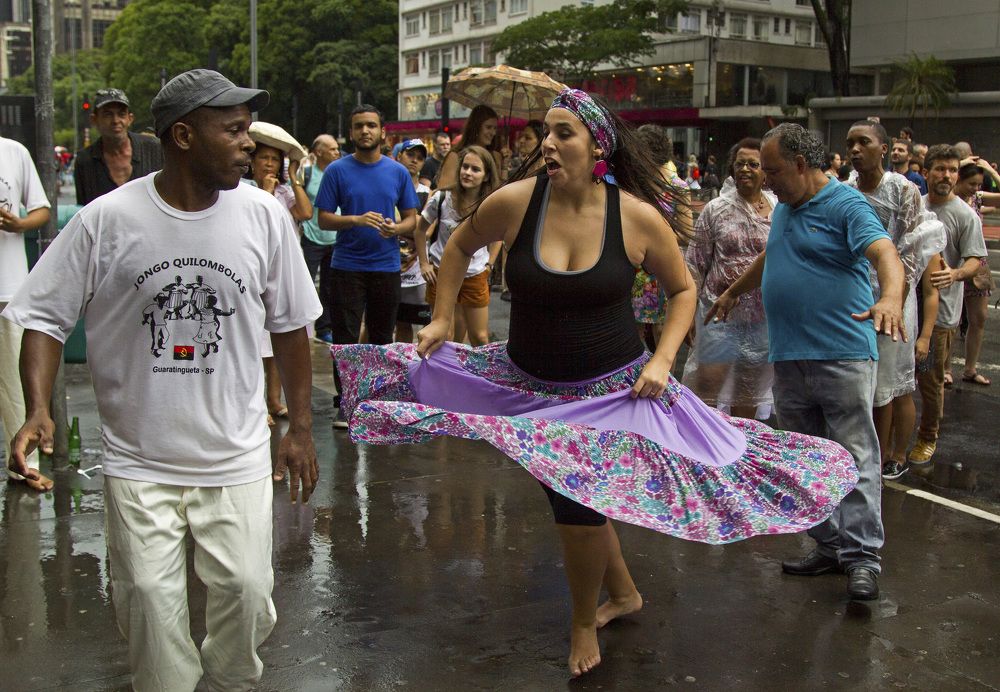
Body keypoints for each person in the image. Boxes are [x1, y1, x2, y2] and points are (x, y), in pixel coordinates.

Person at [331, 93, 859, 676]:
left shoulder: (634, 216)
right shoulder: (516, 201)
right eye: (548, 133)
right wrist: (438, 316)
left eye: (565, 134)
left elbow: (683, 291)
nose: (548, 144)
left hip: (612, 392)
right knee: (573, 488)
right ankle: (625, 593)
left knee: (576, 501)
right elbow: (457, 246)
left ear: (598, 146)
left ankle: (584, 621)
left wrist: (661, 359)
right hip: (526, 384)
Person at [2, 69, 321, 690]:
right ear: (183, 135)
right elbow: (41, 315)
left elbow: (290, 324)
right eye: (232, 131)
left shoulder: (262, 216)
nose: (248, 145)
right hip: (139, 458)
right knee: (148, 600)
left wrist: (300, 424)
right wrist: (38, 407)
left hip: (235, 454)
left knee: (248, 592)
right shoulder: (106, 220)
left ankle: (230, 681)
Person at [709, 122, 906, 601]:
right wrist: (734, 292)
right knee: (806, 460)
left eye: (774, 170)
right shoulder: (786, 209)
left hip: (840, 353)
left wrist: (892, 299)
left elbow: (886, 255)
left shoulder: (846, 204)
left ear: (801, 164)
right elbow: (772, 258)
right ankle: (830, 545)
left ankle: (863, 559)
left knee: (854, 455)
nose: (767, 179)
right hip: (790, 355)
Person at [844, 120, 945, 480]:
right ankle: (864, 453)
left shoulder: (903, 190)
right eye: (850, 143)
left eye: (864, 142)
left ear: (884, 148)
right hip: (855, 299)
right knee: (859, 382)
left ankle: (892, 454)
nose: (855, 149)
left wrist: (893, 302)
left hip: (894, 299)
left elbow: (914, 255)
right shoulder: (844, 190)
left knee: (890, 385)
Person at [316, 104, 419, 428]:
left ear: (382, 132)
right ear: (351, 132)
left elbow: (412, 219)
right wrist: (356, 219)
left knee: (381, 336)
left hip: (386, 266)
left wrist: (395, 229)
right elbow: (324, 218)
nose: (365, 131)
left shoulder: (397, 172)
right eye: (359, 126)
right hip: (346, 265)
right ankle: (345, 403)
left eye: (371, 125)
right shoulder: (337, 170)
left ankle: (377, 402)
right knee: (345, 338)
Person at [683, 138, 775, 420]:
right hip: (719, 313)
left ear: (765, 171)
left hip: (762, 317)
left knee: (748, 390)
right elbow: (695, 264)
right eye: (739, 164)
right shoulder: (716, 210)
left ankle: (742, 451)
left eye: (753, 164)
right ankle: (705, 447)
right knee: (708, 384)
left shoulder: (778, 209)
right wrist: (686, 314)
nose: (745, 169)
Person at [910, 145, 989, 464]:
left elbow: (977, 261)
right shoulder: (914, 205)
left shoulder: (965, 215)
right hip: (905, 309)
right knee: (900, 380)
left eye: (953, 170)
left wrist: (956, 273)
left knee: (930, 380)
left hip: (941, 317)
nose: (947, 176)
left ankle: (928, 435)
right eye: (941, 169)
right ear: (926, 172)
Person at [245, 122, 313, 426]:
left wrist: (295, 180)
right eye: (264, 158)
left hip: (285, 270)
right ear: (253, 162)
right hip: (255, 274)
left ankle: (274, 400)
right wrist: (266, 193)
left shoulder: (285, 192)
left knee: (278, 341)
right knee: (255, 344)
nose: (269, 164)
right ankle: (257, 404)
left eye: (275, 159)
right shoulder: (244, 192)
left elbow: (306, 214)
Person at [0, 136, 52, 492]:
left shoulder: (14, 151)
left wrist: (19, 224)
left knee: (13, 384)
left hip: (8, 288)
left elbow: (41, 211)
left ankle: (23, 464)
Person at [415, 144, 501, 346]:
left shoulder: (490, 203)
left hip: (475, 273)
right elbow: (419, 231)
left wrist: (490, 264)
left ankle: (478, 378)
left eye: (475, 169)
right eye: (465, 167)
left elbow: (498, 236)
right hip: (440, 272)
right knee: (444, 336)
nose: (468, 173)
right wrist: (423, 264)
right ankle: (445, 377)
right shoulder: (442, 198)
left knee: (480, 337)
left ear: (486, 176)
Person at [631, 124, 691, 350]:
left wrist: (650, 240)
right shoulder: (631, 184)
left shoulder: (675, 187)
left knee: (657, 334)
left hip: (656, 269)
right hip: (643, 269)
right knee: (644, 334)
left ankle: (658, 384)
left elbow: (685, 231)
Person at [74, 88, 163, 205]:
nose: (115, 121)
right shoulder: (85, 161)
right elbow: (84, 209)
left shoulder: (154, 149)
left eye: (121, 114)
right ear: (94, 119)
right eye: (107, 114)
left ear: (129, 119)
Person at [953, 161, 995, 386]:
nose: (974, 188)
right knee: (949, 320)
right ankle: (945, 368)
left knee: (979, 318)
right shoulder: (947, 197)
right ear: (958, 178)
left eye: (978, 184)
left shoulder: (977, 198)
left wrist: (989, 170)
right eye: (971, 183)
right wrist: (960, 164)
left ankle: (970, 369)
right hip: (953, 263)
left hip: (978, 264)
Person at [300, 134, 341, 343]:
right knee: (304, 284)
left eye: (337, 149)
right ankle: (300, 327)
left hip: (335, 240)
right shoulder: (307, 174)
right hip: (311, 238)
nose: (337, 152)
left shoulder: (339, 174)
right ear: (319, 152)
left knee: (328, 287)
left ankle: (324, 328)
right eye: (332, 149)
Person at [395, 139, 432, 343]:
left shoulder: (428, 194)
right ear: (399, 156)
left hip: (418, 271)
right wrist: (413, 223)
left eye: (420, 158)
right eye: (410, 155)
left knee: (426, 323)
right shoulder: (390, 188)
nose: (414, 161)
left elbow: (426, 231)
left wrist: (399, 223)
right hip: (390, 268)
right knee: (399, 325)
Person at [435, 105, 504, 189]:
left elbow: (500, 189)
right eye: (488, 127)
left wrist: (505, 166)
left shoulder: (496, 157)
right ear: (476, 127)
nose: (493, 133)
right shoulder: (455, 156)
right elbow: (443, 191)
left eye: (495, 128)